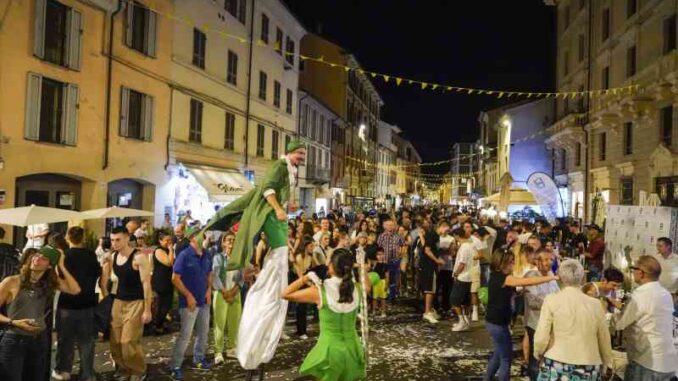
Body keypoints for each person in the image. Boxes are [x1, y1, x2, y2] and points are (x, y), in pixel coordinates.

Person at [201, 139, 305, 375]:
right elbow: (268, 188)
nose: (302, 156)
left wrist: (286, 205)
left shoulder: (290, 170)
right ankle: (268, 291)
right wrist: (278, 208)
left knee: (280, 253)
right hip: (270, 214)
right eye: (299, 153)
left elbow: (277, 190)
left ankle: (270, 287)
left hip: (275, 216)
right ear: (289, 152)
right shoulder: (279, 166)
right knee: (279, 254)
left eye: (302, 153)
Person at [282, 248, 370, 381]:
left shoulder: (318, 291)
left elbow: (285, 294)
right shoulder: (358, 288)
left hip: (330, 352)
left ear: (332, 267)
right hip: (353, 348)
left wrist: (305, 278)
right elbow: (367, 285)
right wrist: (362, 266)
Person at [0, 245, 81, 381]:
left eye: (43, 258)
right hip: (14, 340)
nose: (37, 259)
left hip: (39, 340)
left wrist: (61, 265)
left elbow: (75, 289)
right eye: (37, 255)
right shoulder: (12, 281)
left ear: (49, 266)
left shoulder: (49, 283)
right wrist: (13, 322)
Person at [484, 247, 558, 381]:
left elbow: (508, 292)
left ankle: (487, 378)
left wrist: (519, 293)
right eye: (510, 262)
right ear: (501, 263)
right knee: (506, 358)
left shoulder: (497, 275)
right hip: (497, 323)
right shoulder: (504, 278)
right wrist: (551, 278)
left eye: (513, 261)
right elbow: (527, 282)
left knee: (498, 354)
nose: (513, 264)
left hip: (498, 322)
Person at [533, 259, 613, 381]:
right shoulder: (595, 304)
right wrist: (608, 362)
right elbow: (603, 337)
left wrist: (538, 352)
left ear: (559, 277)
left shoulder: (551, 300)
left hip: (556, 360)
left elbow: (542, 333)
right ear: (582, 278)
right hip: (588, 362)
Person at [612, 256, 678, 380]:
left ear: (640, 273)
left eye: (633, 269)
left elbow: (619, 323)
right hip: (668, 361)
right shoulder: (666, 295)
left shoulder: (640, 296)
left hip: (646, 361)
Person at [101, 227, 153, 381]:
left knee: (128, 341)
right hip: (118, 301)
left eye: (118, 240)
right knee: (115, 341)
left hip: (136, 302)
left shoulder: (139, 257)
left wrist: (147, 310)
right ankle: (123, 369)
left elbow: (147, 284)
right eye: (112, 240)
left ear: (127, 238)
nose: (114, 243)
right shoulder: (112, 256)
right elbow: (104, 279)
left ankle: (138, 370)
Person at [53, 227, 101, 381]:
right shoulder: (91, 255)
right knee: (87, 342)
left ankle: (64, 370)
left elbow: (58, 279)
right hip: (88, 302)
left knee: (65, 340)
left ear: (67, 237)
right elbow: (98, 274)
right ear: (84, 237)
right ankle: (87, 373)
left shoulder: (65, 256)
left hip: (68, 303)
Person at [170, 227, 213, 379]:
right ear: (193, 238)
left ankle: (199, 358)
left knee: (203, 332)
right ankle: (175, 365)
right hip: (189, 303)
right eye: (202, 234)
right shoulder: (184, 255)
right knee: (186, 335)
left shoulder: (206, 254)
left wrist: (209, 290)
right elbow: (175, 278)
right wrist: (188, 296)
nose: (205, 236)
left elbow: (209, 273)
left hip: (203, 301)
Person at [523, 249, 560, 381]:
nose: (549, 263)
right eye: (545, 259)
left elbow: (557, 293)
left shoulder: (551, 274)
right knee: (536, 357)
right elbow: (533, 301)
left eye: (551, 259)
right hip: (535, 322)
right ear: (537, 261)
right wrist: (553, 302)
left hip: (549, 323)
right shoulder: (530, 276)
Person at [212, 232, 243, 365]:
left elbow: (241, 278)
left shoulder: (238, 259)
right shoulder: (218, 257)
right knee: (220, 324)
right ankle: (218, 351)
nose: (231, 242)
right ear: (223, 242)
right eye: (228, 240)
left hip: (235, 293)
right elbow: (215, 276)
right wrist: (225, 293)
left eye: (233, 240)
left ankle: (232, 348)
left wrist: (233, 292)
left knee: (234, 322)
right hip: (221, 293)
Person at [450, 227, 475, 331]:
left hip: (463, 277)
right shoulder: (468, 246)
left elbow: (462, 263)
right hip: (468, 276)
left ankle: (462, 321)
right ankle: (466, 320)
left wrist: (456, 273)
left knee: (454, 299)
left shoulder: (464, 247)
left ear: (457, 236)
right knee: (465, 301)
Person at [419, 220, 445, 324]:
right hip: (428, 266)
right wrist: (437, 260)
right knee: (429, 289)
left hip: (432, 266)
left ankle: (429, 310)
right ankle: (427, 312)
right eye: (446, 228)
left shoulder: (436, 236)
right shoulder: (432, 235)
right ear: (441, 226)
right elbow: (427, 250)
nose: (447, 231)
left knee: (432, 289)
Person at [152, 231, 175, 335]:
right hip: (161, 282)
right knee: (162, 305)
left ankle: (160, 324)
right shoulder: (159, 251)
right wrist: (171, 249)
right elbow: (169, 263)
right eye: (166, 240)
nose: (169, 242)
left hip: (167, 281)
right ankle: (158, 326)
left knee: (167, 304)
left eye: (170, 240)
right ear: (160, 241)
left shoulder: (166, 250)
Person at [377, 219, 405, 300]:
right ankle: (384, 294)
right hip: (384, 261)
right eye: (388, 225)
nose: (390, 226)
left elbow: (403, 245)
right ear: (384, 226)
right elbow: (378, 248)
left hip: (395, 261)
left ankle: (392, 296)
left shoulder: (398, 236)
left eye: (391, 225)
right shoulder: (381, 236)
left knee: (393, 278)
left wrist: (401, 254)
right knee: (385, 279)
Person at [293, 237, 314, 340]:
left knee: (303, 308)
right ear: (306, 246)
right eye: (311, 246)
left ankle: (301, 330)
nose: (313, 248)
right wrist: (311, 284)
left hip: (306, 282)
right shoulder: (299, 257)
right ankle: (301, 331)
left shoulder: (310, 257)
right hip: (297, 283)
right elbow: (300, 274)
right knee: (301, 308)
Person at [436, 221, 454, 316]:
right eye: (443, 226)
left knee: (447, 288)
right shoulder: (436, 237)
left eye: (446, 227)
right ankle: (436, 307)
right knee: (437, 287)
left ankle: (446, 306)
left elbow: (452, 252)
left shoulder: (451, 238)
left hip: (448, 265)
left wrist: (445, 250)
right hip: (438, 265)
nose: (445, 229)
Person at [371, 248, 388, 317]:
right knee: (375, 297)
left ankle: (383, 311)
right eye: (378, 255)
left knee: (383, 298)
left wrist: (387, 284)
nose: (380, 256)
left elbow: (387, 275)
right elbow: (372, 273)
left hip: (383, 282)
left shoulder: (385, 264)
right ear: (376, 256)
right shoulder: (374, 264)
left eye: (381, 254)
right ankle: (374, 310)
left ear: (384, 255)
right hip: (375, 282)